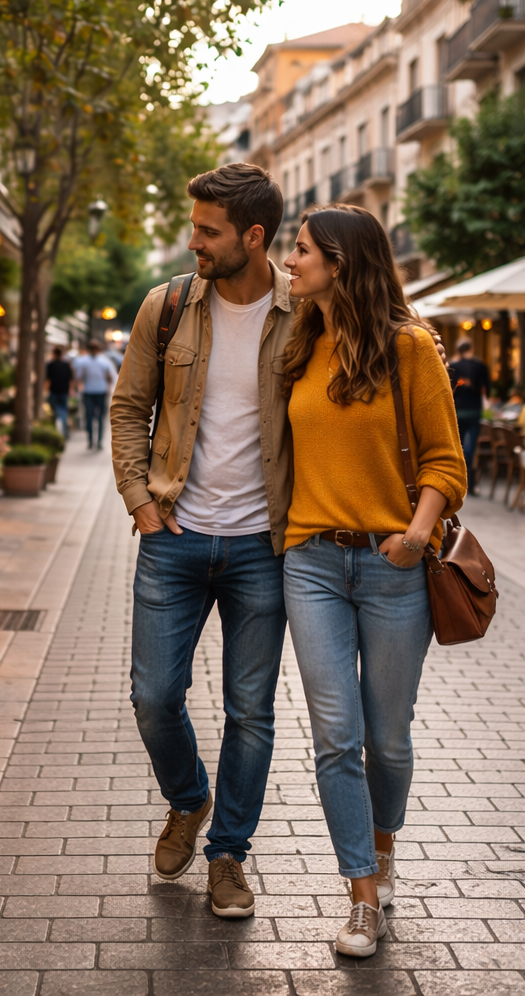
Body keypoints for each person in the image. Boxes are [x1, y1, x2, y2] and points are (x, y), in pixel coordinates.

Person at [108, 162, 293, 921]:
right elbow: (128, 410)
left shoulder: (305, 311)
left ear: (252, 236)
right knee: (154, 697)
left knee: (251, 709)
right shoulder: (170, 305)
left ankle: (228, 856)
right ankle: (189, 800)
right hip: (176, 537)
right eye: (193, 227)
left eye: (208, 231)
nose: (194, 242)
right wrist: (140, 503)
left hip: (265, 547)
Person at [279, 205, 466, 958]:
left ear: (341, 263)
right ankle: (361, 894)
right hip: (312, 563)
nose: (288, 264)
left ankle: (383, 845)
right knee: (335, 736)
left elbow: (445, 461)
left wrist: (417, 534)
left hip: (393, 568)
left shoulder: (409, 348)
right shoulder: (298, 345)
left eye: (299, 252)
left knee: (387, 739)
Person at [447, 339, 489, 494]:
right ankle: (470, 481)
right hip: (474, 409)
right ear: (471, 348)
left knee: (459, 444)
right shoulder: (480, 366)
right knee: (471, 447)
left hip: (459, 409)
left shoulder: (454, 366)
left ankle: (459, 478)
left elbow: (449, 388)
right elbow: (487, 388)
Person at [73, 340, 117, 450]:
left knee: (98, 418)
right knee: (90, 417)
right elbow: (79, 377)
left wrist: (108, 389)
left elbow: (110, 377)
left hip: (99, 391)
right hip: (89, 392)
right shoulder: (84, 362)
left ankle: (98, 441)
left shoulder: (103, 362)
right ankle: (92, 440)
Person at [45, 346, 74, 441]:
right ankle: (65, 432)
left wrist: (46, 390)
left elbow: (48, 380)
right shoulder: (66, 365)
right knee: (63, 412)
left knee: (54, 412)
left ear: (54, 354)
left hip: (54, 391)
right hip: (64, 391)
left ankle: (55, 432)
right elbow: (70, 379)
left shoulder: (50, 365)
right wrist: (70, 390)